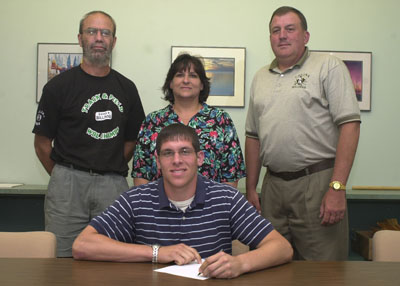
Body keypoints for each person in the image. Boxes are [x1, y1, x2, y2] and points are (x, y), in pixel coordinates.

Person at [72, 124, 292, 278]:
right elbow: (82, 246)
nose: (177, 161)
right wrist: (158, 253)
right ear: (158, 161)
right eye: (168, 153)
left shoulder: (227, 198)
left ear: (199, 158)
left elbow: (282, 248)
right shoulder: (135, 200)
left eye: (185, 152)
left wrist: (240, 264)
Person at [245, 6, 361, 261]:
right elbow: (253, 136)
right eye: (276, 30)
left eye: (290, 29)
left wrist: (337, 187)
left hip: (317, 183)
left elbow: (350, 125)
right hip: (272, 186)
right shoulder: (260, 77)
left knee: (323, 270)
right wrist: (251, 188)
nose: (282, 35)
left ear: (305, 36)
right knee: (271, 265)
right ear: (270, 38)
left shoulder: (328, 66)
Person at [32, 11, 145, 257]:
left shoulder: (127, 88)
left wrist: (106, 166)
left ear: (113, 41)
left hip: (113, 186)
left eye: (105, 33)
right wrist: (66, 173)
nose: (98, 38)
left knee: (114, 259)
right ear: (80, 38)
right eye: (92, 31)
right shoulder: (58, 87)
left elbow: (132, 140)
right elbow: (41, 143)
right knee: (60, 258)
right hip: (67, 186)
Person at [132, 53, 245, 188]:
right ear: (171, 83)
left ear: (202, 84)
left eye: (193, 75)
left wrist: (219, 206)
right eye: (179, 75)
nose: (186, 80)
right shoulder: (152, 122)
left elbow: (231, 175)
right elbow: (141, 174)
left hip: (212, 206)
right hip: (160, 206)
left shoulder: (221, 120)